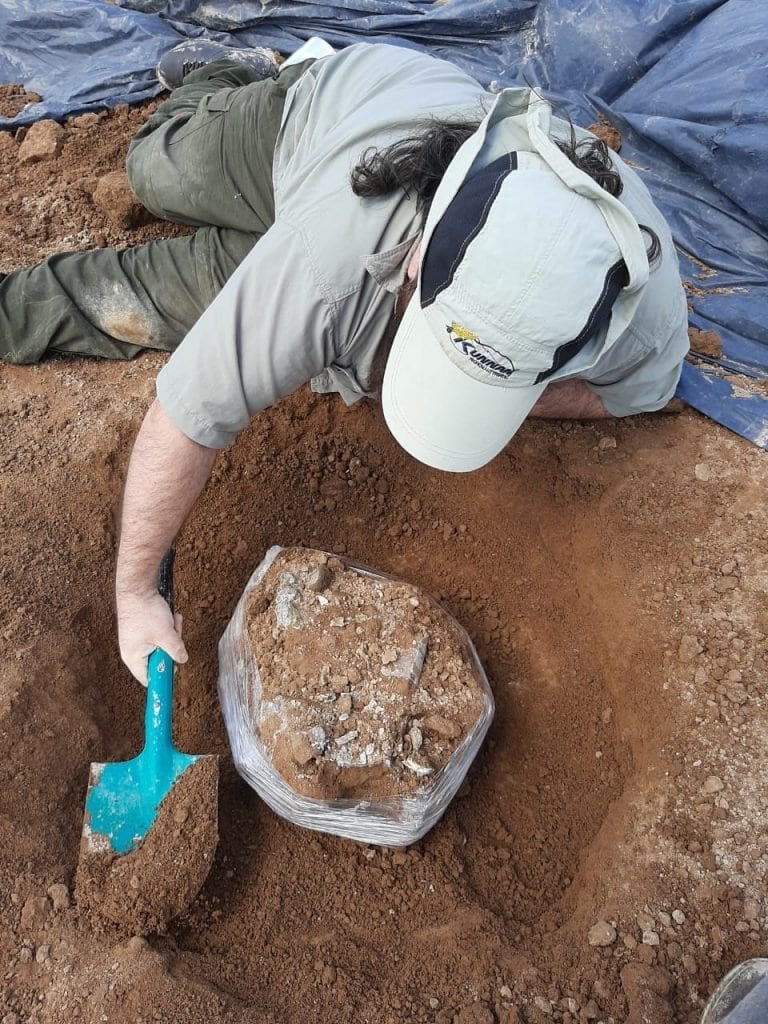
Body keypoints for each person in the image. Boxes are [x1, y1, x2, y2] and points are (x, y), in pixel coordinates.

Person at [0, 38, 690, 683]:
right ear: (417, 262)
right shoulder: (332, 263)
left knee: (135, 295)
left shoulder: (639, 311)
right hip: (314, 122)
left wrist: (506, 396)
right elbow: (186, 414)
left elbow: (630, 394)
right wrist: (135, 592)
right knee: (151, 170)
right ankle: (232, 74)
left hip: (324, 239)